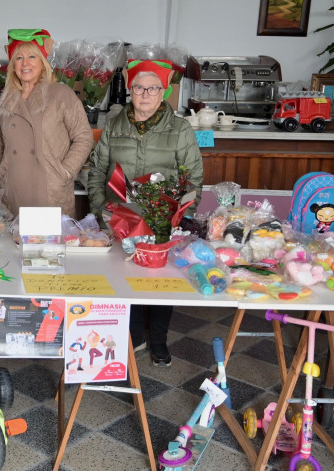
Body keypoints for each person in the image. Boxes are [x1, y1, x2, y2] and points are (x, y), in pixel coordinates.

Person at [86, 59, 204, 368]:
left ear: (164, 91)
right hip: (119, 219)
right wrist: (102, 212)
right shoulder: (113, 124)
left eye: (153, 88)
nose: (145, 94)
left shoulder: (179, 129)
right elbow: (97, 171)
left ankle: (159, 340)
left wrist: (177, 219)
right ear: (130, 90)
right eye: (139, 87)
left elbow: (192, 179)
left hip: (162, 221)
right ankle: (134, 336)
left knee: (160, 281)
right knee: (125, 277)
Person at [0, 29, 93, 217]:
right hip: (13, 189)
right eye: (19, 58)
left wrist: (64, 173)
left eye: (32, 56)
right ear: (13, 65)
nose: (25, 63)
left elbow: (84, 137)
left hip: (49, 190)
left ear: (43, 62)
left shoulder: (61, 94)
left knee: (49, 245)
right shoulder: (6, 99)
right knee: (13, 244)